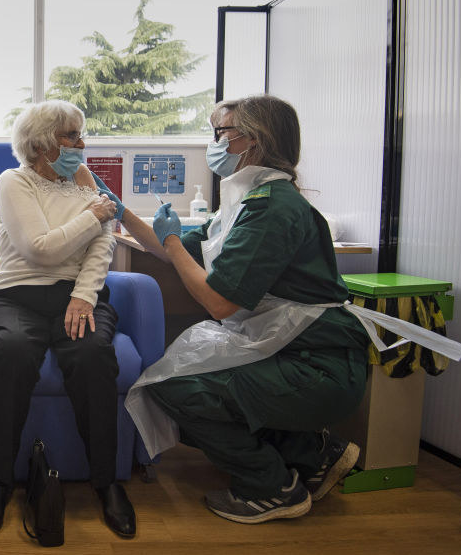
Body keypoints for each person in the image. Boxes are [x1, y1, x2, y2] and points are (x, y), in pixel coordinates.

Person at [107, 95, 369, 525]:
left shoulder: (272, 209)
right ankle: (313, 454)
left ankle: (272, 488)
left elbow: (218, 302)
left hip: (316, 365)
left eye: (221, 133)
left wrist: (173, 241)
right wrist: (121, 211)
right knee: (177, 385)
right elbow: (167, 252)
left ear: (254, 140)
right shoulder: (247, 203)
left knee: (173, 389)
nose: (215, 143)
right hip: (290, 349)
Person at [0, 100, 136, 542]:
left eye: (80, 136)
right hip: (15, 296)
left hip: (78, 296)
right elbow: (39, 250)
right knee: (13, 353)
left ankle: (107, 483)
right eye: (71, 136)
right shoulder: (13, 182)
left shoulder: (89, 190)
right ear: (43, 144)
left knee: (92, 355)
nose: (82, 145)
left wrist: (84, 296)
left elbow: (101, 250)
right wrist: (94, 214)